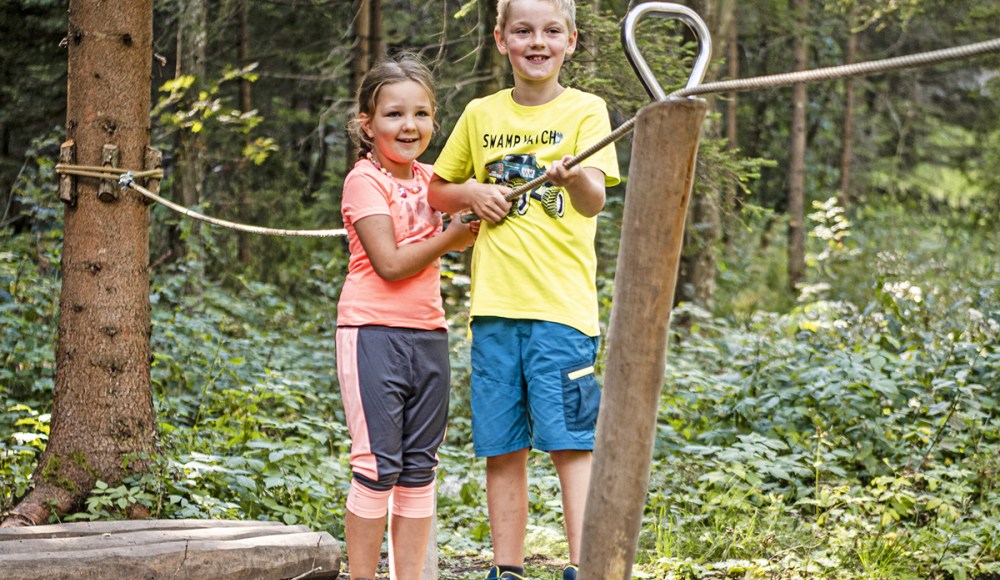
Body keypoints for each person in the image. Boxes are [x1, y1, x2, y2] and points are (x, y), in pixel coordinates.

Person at [426, 0, 621, 576]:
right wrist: (472, 196)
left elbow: (594, 199)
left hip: (561, 312)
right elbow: (439, 189)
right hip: (492, 311)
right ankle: (505, 569)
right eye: (523, 30)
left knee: (570, 444)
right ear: (501, 39)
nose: (538, 41)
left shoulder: (588, 110)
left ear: (571, 41)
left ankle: (584, 567)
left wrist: (572, 175)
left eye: (551, 31)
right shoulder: (481, 114)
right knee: (501, 447)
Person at [336, 54, 477, 580]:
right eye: (394, 115)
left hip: (430, 333)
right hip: (372, 331)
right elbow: (391, 264)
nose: (409, 126)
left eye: (421, 114)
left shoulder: (434, 179)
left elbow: (465, 213)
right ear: (367, 125)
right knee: (377, 468)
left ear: (434, 121)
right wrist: (452, 235)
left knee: (419, 470)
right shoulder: (363, 181)